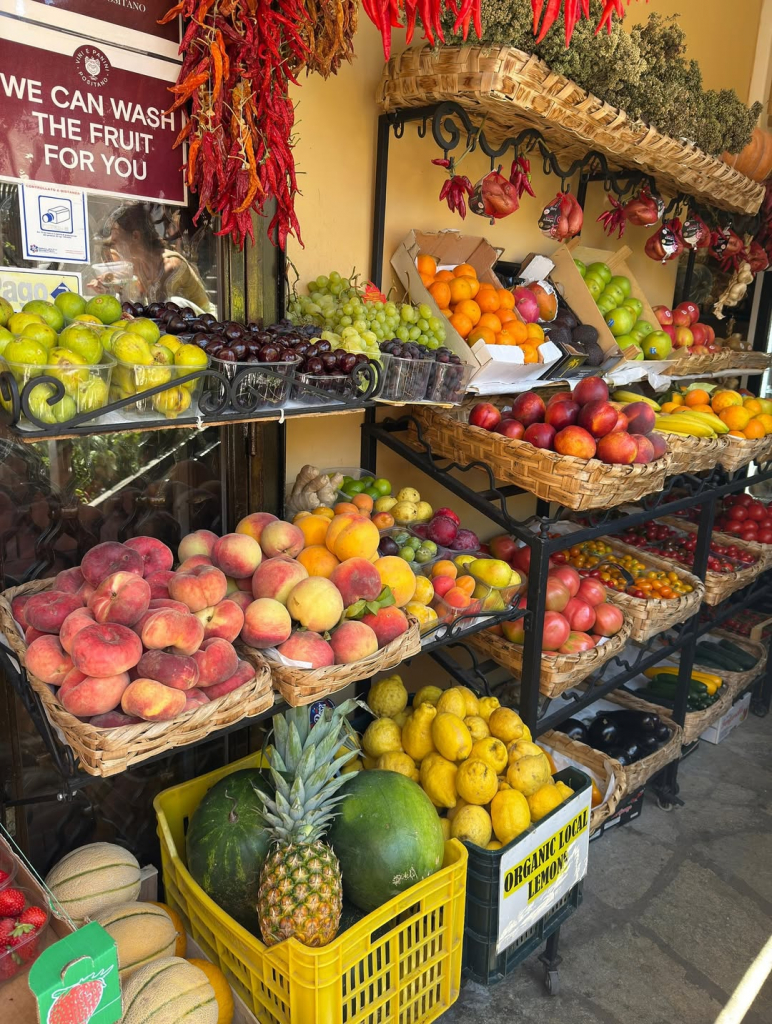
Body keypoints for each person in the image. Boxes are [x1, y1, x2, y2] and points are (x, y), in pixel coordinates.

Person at [90, 203, 214, 313]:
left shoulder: (170, 265)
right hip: (164, 325)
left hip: (200, 324)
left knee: (174, 302)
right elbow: (135, 304)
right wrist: (109, 287)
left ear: (135, 236)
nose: (115, 248)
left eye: (117, 242)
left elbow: (159, 309)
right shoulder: (136, 264)